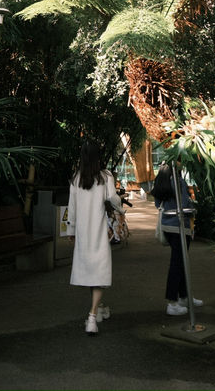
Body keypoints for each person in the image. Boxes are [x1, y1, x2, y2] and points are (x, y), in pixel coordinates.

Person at [66, 139, 123, 335]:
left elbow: (71, 208)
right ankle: (92, 317)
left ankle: (99, 309)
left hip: (83, 233)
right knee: (99, 273)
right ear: (98, 157)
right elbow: (113, 198)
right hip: (99, 231)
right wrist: (121, 208)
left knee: (93, 273)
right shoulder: (105, 177)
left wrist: (71, 231)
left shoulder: (76, 179)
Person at [151, 161, 203, 317]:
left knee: (180, 262)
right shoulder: (179, 181)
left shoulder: (161, 181)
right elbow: (186, 202)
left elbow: (157, 203)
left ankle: (184, 296)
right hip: (180, 226)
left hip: (168, 226)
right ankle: (172, 302)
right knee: (178, 263)